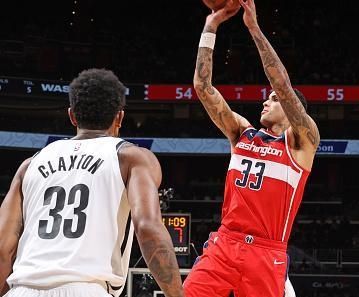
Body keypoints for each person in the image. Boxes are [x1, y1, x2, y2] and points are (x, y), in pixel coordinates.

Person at [0, 68, 184, 297]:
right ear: (119, 117)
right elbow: (148, 228)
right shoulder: (132, 158)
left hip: (22, 289)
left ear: (72, 116)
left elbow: (3, 248)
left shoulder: (30, 165)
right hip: (87, 288)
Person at [183, 0, 320, 296]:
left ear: (290, 108)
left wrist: (254, 29)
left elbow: (282, 85)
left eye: (272, 99)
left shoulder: (302, 142)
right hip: (225, 243)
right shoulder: (242, 134)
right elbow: (203, 88)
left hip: (265, 251)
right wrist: (211, 26)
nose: (266, 101)